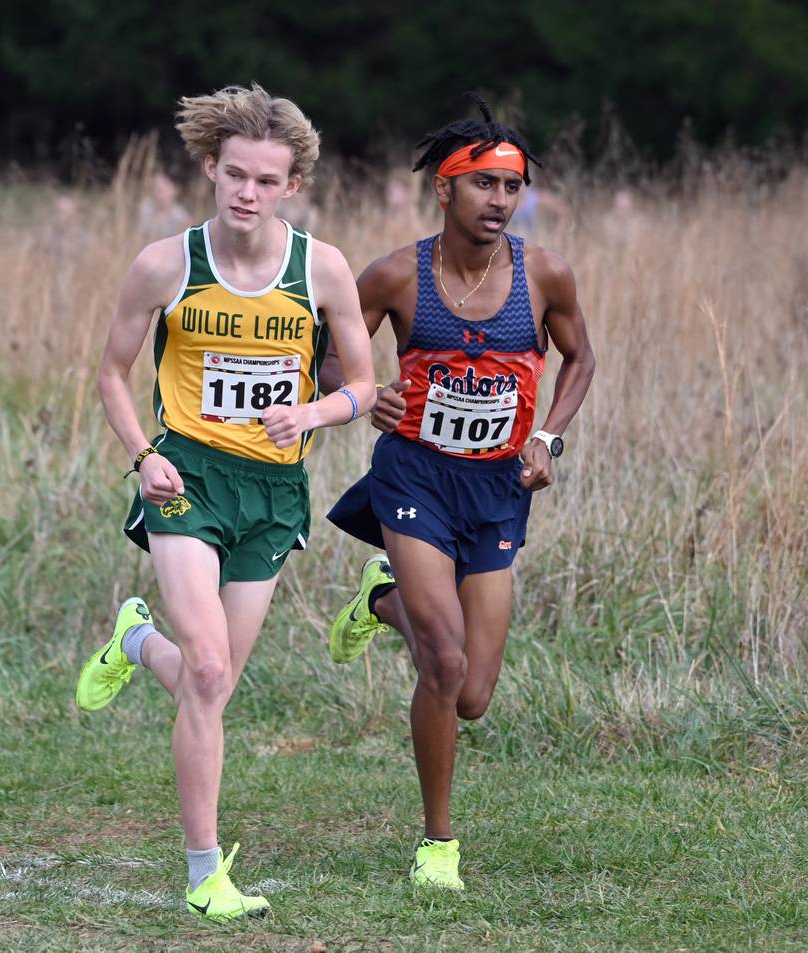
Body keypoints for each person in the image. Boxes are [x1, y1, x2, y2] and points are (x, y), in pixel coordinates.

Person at [75, 83, 376, 922]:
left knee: (212, 685)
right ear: (210, 167)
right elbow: (110, 373)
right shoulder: (166, 264)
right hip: (187, 477)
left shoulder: (322, 268)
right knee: (207, 669)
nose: (247, 191)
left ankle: (135, 639)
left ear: (292, 184)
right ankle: (206, 874)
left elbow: (363, 384)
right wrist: (142, 455)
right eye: (234, 173)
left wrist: (311, 412)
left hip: (275, 494)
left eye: (266, 179)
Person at [321, 92, 596, 891]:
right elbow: (330, 356)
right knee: (442, 663)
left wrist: (549, 434)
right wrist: (364, 394)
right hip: (414, 478)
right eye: (483, 185)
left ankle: (381, 600)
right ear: (445, 189)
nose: (499, 202)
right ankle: (437, 844)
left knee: (473, 693)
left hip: (499, 486)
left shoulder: (544, 273)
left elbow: (580, 359)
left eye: (510, 188)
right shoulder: (396, 275)